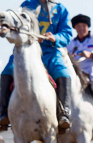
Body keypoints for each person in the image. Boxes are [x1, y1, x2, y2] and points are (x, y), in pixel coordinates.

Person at [0, 0, 73, 132]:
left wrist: (55, 37)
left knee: (63, 74)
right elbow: (17, 24)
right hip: (26, 50)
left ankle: (63, 114)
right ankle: (3, 113)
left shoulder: (61, 9)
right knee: (6, 72)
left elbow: (67, 34)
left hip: (50, 52)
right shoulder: (27, 4)